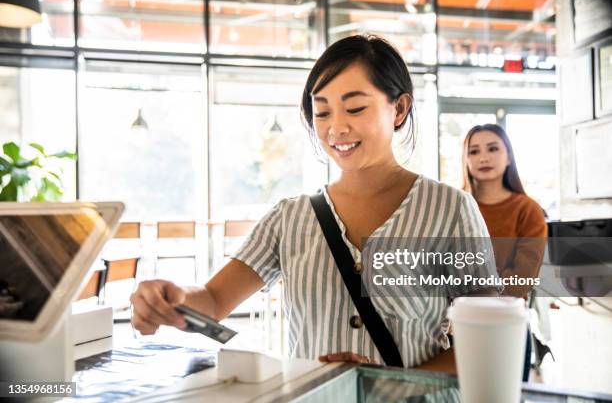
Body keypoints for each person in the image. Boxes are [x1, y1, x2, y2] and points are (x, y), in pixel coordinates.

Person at [130, 35, 499, 369]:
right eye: (322, 112)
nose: (336, 128)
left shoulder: (449, 210)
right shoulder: (289, 218)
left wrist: (394, 383)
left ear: (399, 109)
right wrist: (172, 298)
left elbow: (486, 337)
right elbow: (213, 299)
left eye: (355, 109)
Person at [461, 123, 547, 380]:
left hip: (506, 327)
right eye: (474, 151)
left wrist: (470, 295)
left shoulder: (528, 210)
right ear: (465, 160)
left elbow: (523, 278)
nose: (484, 157)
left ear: (509, 156)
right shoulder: (454, 206)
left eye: (493, 148)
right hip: (456, 328)